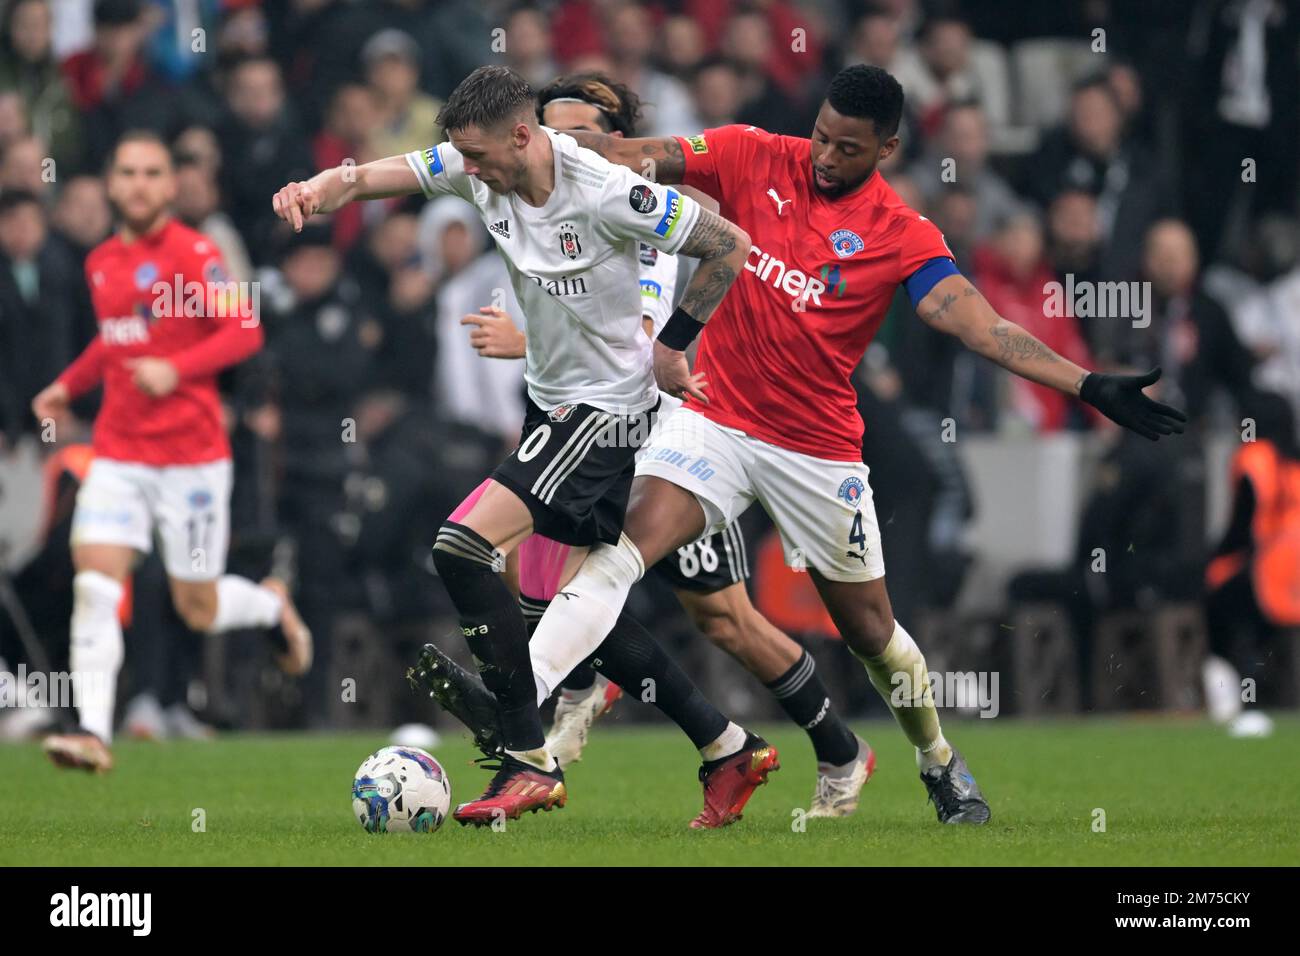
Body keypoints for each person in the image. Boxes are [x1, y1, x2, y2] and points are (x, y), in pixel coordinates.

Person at [518, 64, 1187, 824]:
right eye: (822, 138)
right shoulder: (751, 153)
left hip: (816, 450)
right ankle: (521, 702)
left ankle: (936, 759)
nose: (825, 158)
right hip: (714, 420)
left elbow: (979, 324)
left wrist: (1088, 383)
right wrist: (541, 147)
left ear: (889, 148)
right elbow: (640, 155)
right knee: (627, 549)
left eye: (847, 149)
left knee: (872, 633)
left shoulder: (902, 234)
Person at [271, 66, 774, 829]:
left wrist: (675, 346)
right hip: (551, 407)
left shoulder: (606, 190)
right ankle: (725, 745)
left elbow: (729, 244)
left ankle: (524, 750)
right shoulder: (478, 168)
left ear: (521, 135)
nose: (467, 172)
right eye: (459, 158)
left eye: (477, 157)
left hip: (605, 414)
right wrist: (315, 187)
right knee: (561, 615)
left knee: (460, 546)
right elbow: (375, 177)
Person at [457, 71, 873, 817]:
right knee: (562, 589)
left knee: (723, 619)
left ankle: (833, 745)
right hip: (588, 441)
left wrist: (524, 342)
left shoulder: (635, 225)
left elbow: (642, 339)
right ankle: (694, 740)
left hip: (661, 442)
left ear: (615, 140)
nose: (565, 142)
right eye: (554, 128)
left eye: (581, 130)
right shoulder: (536, 205)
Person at [30, 131, 312, 773]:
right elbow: (114, 342)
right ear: (110, 182)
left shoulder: (194, 254)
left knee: (199, 605)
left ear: (169, 185)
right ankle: (93, 732)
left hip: (191, 461)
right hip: (119, 455)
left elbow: (246, 328)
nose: (138, 184)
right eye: (127, 171)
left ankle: (271, 603)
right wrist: (66, 387)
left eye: (152, 172)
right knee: (95, 584)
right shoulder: (101, 261)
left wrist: (178, 369)